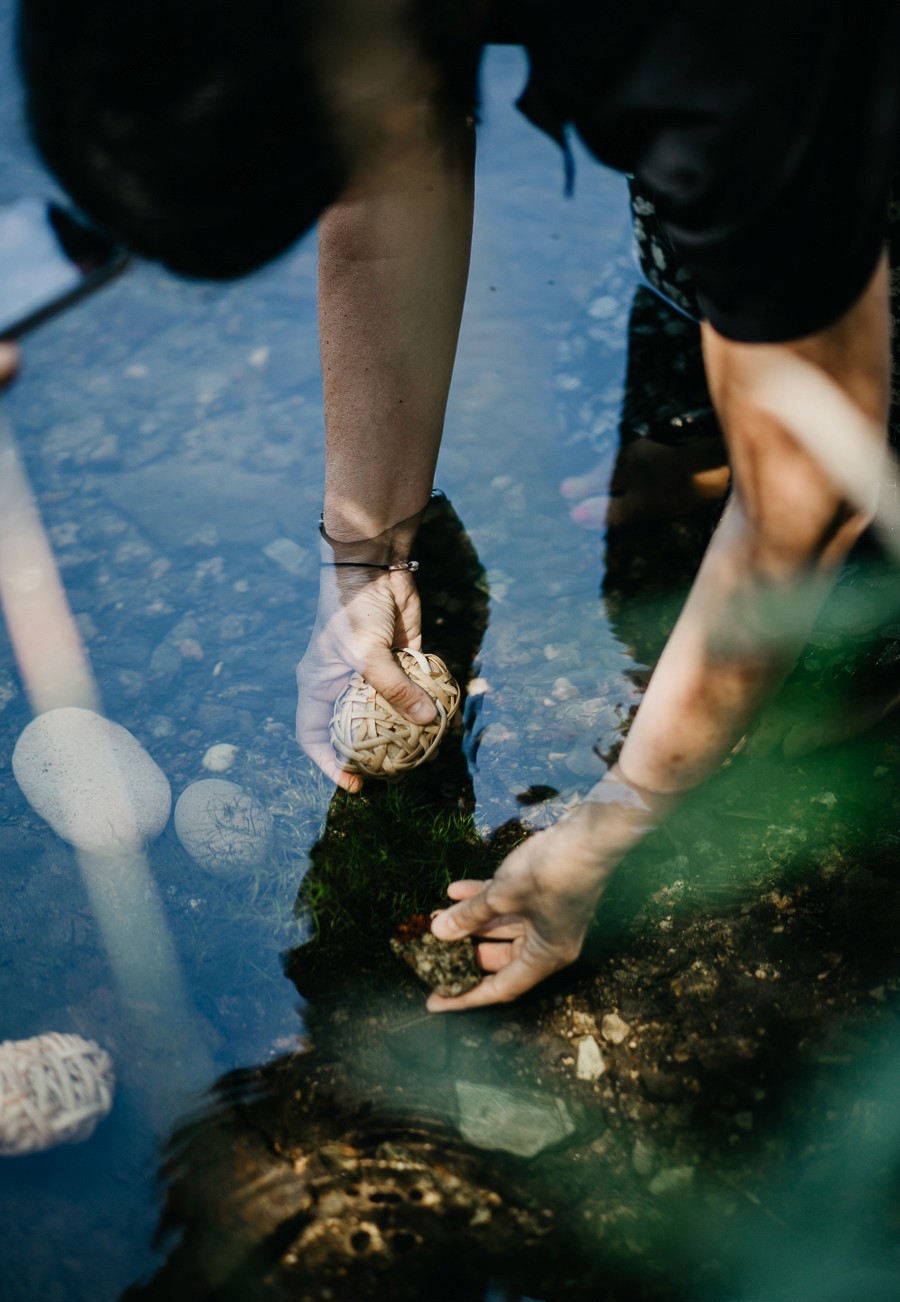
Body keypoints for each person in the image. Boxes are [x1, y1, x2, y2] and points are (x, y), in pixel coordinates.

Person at [16, 0, 900, 1009]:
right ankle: (744, 372)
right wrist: (363, 554)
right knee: (721, 252)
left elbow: (809, 495)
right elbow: (388, 203)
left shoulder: (718, 56)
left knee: (843, 497)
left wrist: (626, 810)